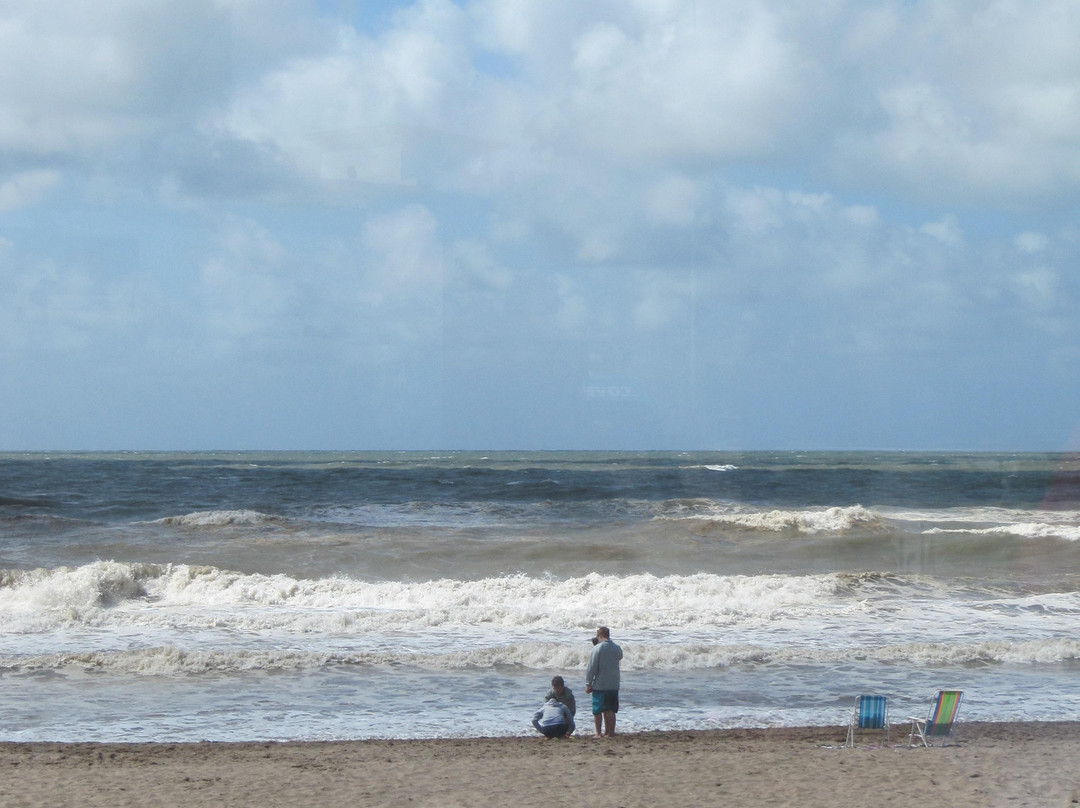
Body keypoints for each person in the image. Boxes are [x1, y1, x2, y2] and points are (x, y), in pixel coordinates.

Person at [584, 626, 622, 738]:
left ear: (600, 636)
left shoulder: (597, 649)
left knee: (598, 710)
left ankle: (598, 733)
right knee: (610, 709)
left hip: (600, 684)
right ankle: (610, 732)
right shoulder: (616, 648)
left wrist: (588, 683)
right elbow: (620, 656)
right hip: (614, 683)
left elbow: (592, 668)